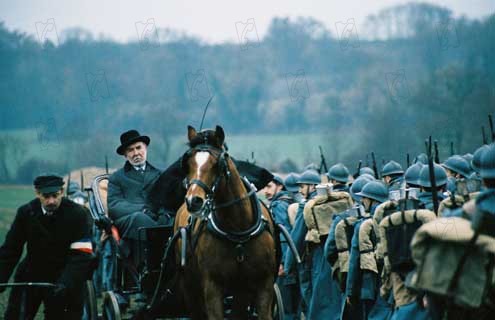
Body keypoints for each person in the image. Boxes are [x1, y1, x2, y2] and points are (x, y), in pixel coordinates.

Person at [0, 174, 95, 319]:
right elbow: (11, 250)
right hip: (32, 271)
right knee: (16, 315)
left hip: (66, 274)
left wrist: (66, 282)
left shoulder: (78, 214)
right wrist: (2, 277)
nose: (51, 201)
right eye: (45, 196)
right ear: (37, 193)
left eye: (55, 195)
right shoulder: (26, 212)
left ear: (62, 192)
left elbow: (82, 254)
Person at [107, 130, 163, 271]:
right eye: (130, 150)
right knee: (139, 219)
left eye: (139, 148)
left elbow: (167, 200)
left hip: (156, 219)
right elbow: (114, 206)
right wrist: (143, 209)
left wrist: (163, 214)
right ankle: (144, 269)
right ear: (125, 155)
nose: (136, 153)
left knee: (172, 220)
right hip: (128, 221)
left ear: (145, 149)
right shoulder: (117, 178)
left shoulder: (159, 175)